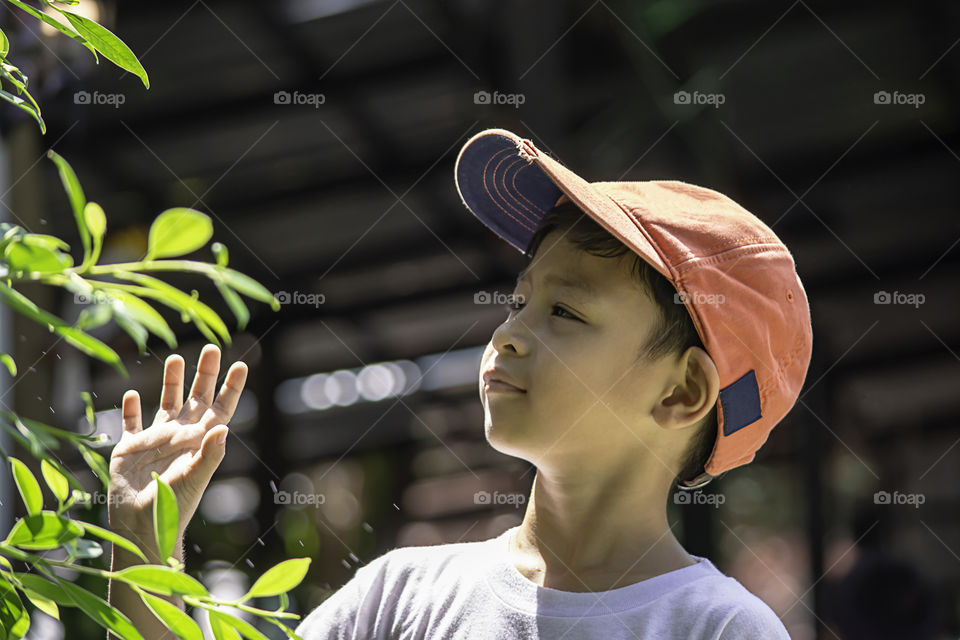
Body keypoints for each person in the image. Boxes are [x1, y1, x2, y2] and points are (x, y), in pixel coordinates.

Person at [107, 128, 813, 639]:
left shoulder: (718, 629)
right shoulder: (400, 597)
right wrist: (144, 541)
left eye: (565, 311)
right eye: (519, 301)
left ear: (683, 393)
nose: (508, 333)